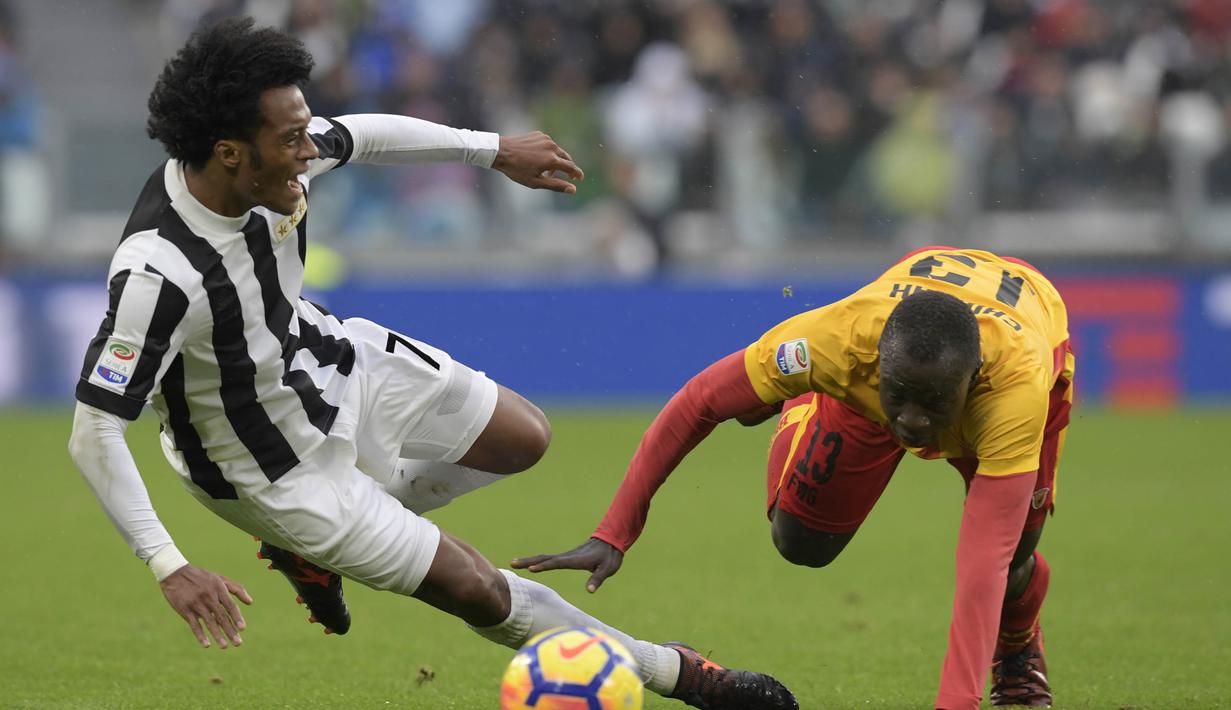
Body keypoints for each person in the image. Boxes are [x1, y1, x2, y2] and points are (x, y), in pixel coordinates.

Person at [67, 18, 798, 710]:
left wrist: (490, 148)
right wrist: (170, 565)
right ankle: (679, 673)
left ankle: (318, 556)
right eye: (292, 140)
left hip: (330, 362)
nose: (309, 150)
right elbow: (93, 433)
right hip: (270, 469)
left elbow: (365, 135)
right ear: (230, 152)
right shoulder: (158, 277)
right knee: (477, 587)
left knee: (524, 437)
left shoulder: (271, 158)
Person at [514, 247, 1074, 710]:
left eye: (932, 404)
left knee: (1012, 556)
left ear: (972, 379)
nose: (912, 422)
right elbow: (700, 401)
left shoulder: (1014, 392)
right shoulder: (835, 341)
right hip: (871, 357)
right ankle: (803, 396)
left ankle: (1019, 652)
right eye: (900, 397)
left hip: (1030, 324)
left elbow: (980, 564)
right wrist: (616, 529)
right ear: (878, 362)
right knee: (801, 542)